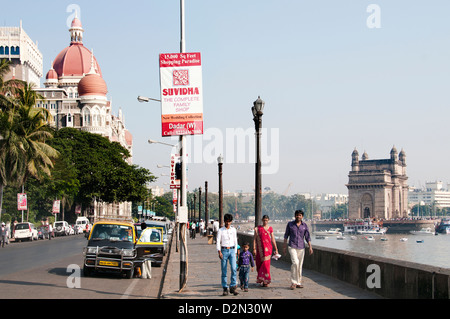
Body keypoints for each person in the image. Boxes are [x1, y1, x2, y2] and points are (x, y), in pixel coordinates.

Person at [283, 209, 313, 290]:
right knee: (295, 263)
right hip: (292, 246)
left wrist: (310, 247)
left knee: (299, 265)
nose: (298, 216)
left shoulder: (304, 226)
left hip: (301, 247)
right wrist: (284, 247)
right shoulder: (290, 225)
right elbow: (286, 236)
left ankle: (299, 282)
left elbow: (307, 237)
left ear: (302, 216)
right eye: (297, 215)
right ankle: (293, 282)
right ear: (295, 216)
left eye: (300, 215)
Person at [253, 215, 279, 287]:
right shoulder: (258, 228)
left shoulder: (270, 228)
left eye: (266, 220)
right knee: (259, 264)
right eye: (264, 220)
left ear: (268, 220)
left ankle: (265, 280)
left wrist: (276, 249)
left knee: (266, 265)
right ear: (262, 220)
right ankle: (262, 279)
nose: (265, 222)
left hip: (268, 249)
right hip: (260, 249)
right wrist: (254, 248)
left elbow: (273, 239)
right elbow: (255, 239)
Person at [217, 214, 239, 296]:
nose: (228, 223)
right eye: (226, 222)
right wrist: (219, 251)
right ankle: (225, 287)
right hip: (224, 250)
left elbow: (235, 240)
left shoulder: (233, 230)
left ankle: (233, 286)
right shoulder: (221, 230)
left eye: (229, 222)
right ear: (224, 221)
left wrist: (236, 252)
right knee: (224, 270)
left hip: (232, 250)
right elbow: (218, 241)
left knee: (234, 268)